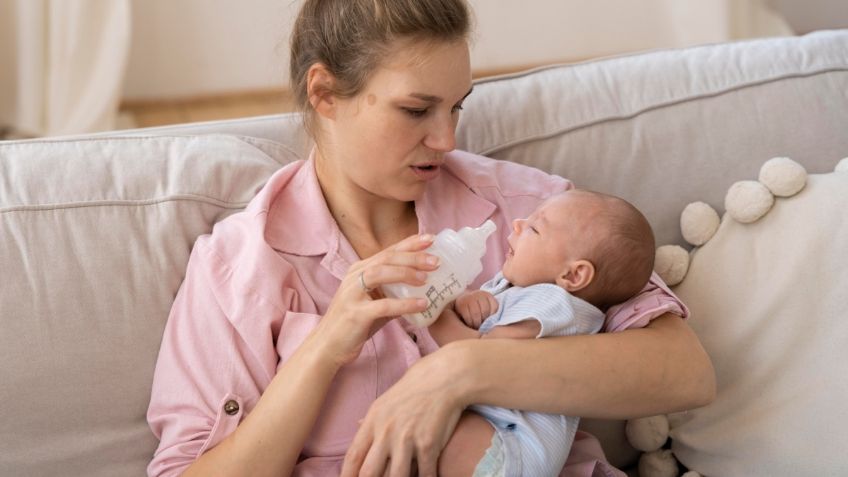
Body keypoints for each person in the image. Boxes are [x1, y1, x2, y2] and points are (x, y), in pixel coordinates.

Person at [146, 1, 715, 476]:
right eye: (416, 110)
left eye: (456, 107)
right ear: (324, 93)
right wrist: (325, 347)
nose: (445, 138)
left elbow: (684, 372)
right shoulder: (239, 266)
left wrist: (455, 374)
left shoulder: (530, 213)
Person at [426, 189, 656, 476]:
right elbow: (483, 324)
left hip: (511, 447)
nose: (517, 223)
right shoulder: (518, 287)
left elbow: (482, 357)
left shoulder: (556, 304)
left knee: (451, 435)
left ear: (573, 276)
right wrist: (463, 301)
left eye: (534, 228)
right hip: (494, 432)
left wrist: (434, 314)